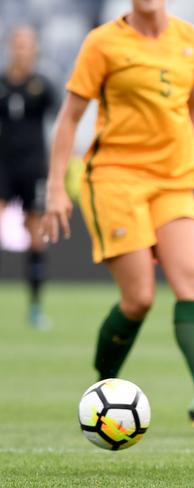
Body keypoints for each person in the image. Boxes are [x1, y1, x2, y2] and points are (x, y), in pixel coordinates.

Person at [41, 0, 194, 435]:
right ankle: (101, 387)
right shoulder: (103, 43)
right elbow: (70, 117)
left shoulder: (191, 38)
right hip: (116, 179)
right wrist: (58, 186)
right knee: (139, 299)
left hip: (175, 178)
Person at [0, 26, 57, 329]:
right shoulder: (1, 83)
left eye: (27, 45)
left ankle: (35, 308)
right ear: (11, 47)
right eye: (17, 44)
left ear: (34, 49)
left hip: (33, 168)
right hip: (3, 167)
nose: (22, 50)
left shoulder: (43, 87)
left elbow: (60, 125)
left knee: (36, 236)